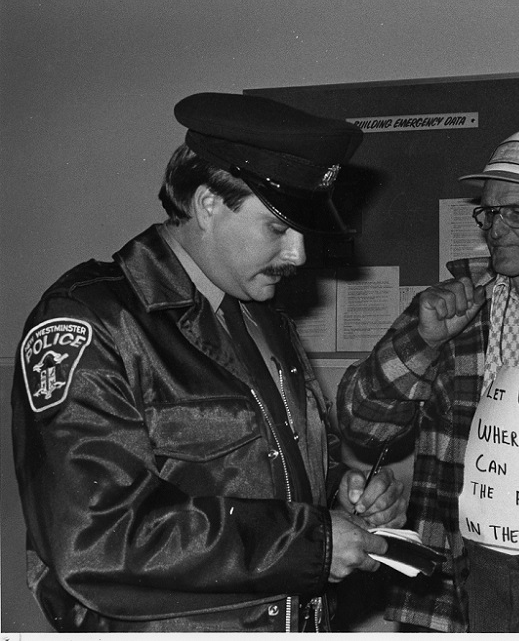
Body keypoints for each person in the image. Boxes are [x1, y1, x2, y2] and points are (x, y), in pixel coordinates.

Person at [11, 92, 406, 632]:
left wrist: (339, 488)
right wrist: (308, 542)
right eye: (277, 228)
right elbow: (95, 539)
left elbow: (261, 462)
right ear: (207, 204)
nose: (298, 255)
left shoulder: (263, 319)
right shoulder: (95, 322)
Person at [336, 131, 519, 632]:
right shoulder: (459, 310)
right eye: (489, 212)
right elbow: (358, 420)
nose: (496, 229)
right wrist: (424, 341)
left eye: (516, 212)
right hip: (470, 571)